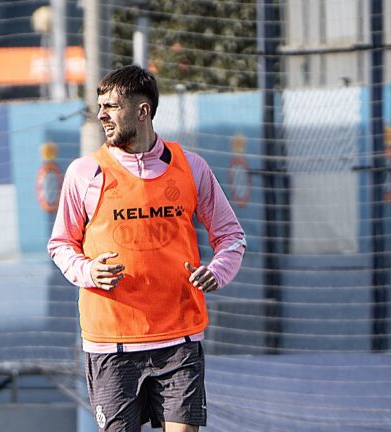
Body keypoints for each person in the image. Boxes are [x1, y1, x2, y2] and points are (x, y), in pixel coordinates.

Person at [48, 65, 246, 432]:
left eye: (111, 106)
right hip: (110, 343)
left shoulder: (191, 167)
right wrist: (89, 271)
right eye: (100, 105)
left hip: (179, 338)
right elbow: (61, 244)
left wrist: (217, 272)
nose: (102, 115)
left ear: (142, 111)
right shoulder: (85, 172)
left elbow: (231, 236)